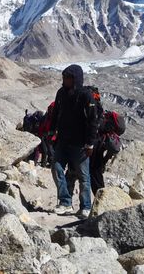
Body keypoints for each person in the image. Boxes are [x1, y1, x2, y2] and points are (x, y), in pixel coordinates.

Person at [49, 64, 96, 219]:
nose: (65, 80)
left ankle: (85, 207)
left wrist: (90, 143)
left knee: (83, 176)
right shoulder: (61, 93)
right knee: (56, 168)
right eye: (64, 77)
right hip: (63, 140)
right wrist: (52, 130)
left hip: (80, 144)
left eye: (68, 78)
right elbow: (56, 113)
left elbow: (92, 121)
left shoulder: (86, 95)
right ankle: (65, 202)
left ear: (76, 79)